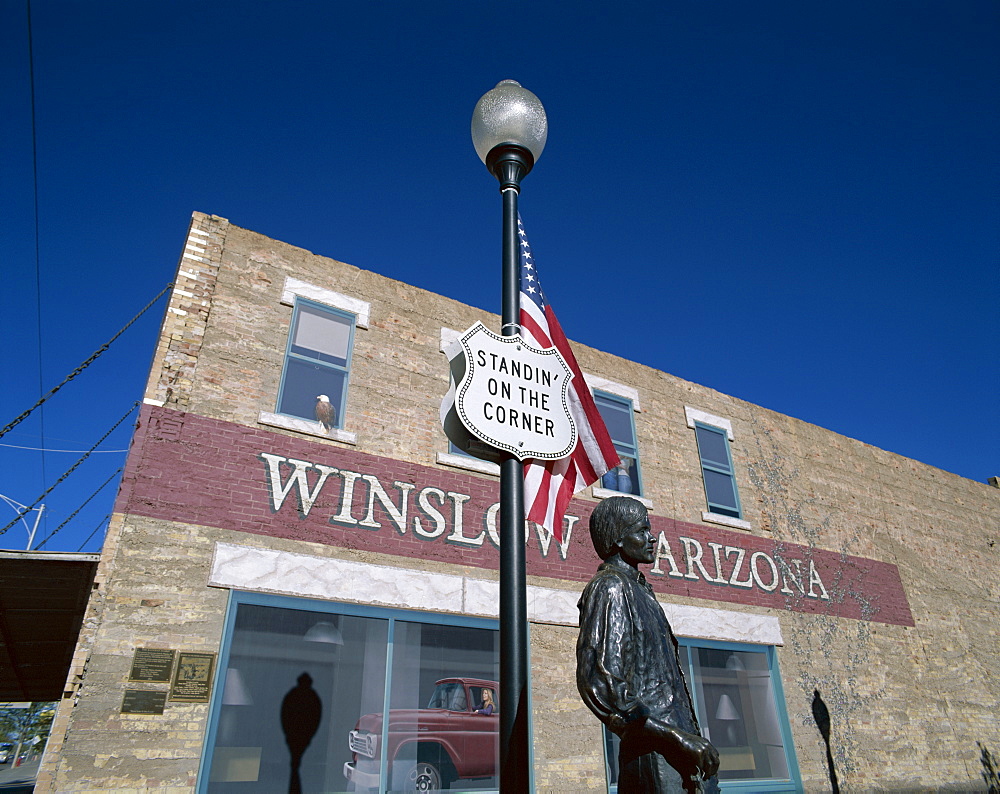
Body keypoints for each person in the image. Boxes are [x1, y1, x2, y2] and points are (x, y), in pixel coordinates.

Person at [577, 496, 720, 793]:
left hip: (681, 756)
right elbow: (602, 684)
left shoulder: (639, 589)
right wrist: (678, 738)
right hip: (655, 763)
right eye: (641, 531)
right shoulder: (611, 588)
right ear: (617, 539)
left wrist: (687, 739)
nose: (651, 538)